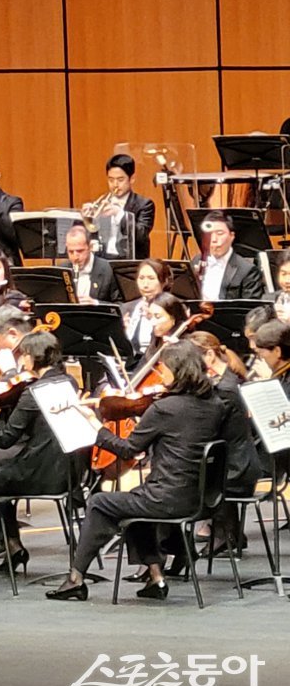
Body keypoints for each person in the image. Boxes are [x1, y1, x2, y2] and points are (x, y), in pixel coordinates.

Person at [47, 341, 226, 602]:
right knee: (131, 503)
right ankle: (156, 579)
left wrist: (94, 424)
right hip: (201, 500)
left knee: (99, 502)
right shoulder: (215, 405)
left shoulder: (165, 408)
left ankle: (75, 579)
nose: (161, 372)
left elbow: (129, 449)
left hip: (167, 499)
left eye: (163, 367)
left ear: (177, 371)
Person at [0, 331, 75, 575]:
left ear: (32, 357)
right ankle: (10, 544)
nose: (21, 360)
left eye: (24, 355)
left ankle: (3, 542)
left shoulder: (34, 392)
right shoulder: (68, 382)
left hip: (41, 473)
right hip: (67, 470)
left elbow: (7, 438)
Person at [186, 330, 260, 557]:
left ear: (209, 356)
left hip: (236, 469)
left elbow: (207, 429)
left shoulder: (224, 389)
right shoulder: (226, 380)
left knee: (181, 475)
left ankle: (214, 536)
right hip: (240, 461)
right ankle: (228, 532)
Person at [81, 153, 156, 259]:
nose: (115, 184)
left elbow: (141, 236)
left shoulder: (144, 204)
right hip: (103, 261)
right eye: (111, 180)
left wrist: (120, 214)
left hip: (130, 261)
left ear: (132, 179)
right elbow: (90, 237)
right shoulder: (101, 202)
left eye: (120, 180)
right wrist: (85, 219)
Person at [190, 210, 265, 300]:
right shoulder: (196, 261)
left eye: (220, 233)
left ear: (231, 236)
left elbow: (251, 310)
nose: (213, 239)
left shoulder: (247, 270)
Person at [122, 258, 173, 354]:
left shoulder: (173, 309)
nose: (145, 285)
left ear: (164, 282)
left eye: (151, 278)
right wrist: (121, 331)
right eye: (141, 278)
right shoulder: (126, 308)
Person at [62, 224, 122, 304]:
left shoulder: (107, 269)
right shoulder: (62, 270)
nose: (75, 257)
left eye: (80, 251)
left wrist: (96, 303)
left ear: (90, 247)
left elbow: (119, 304)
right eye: (71, 251)